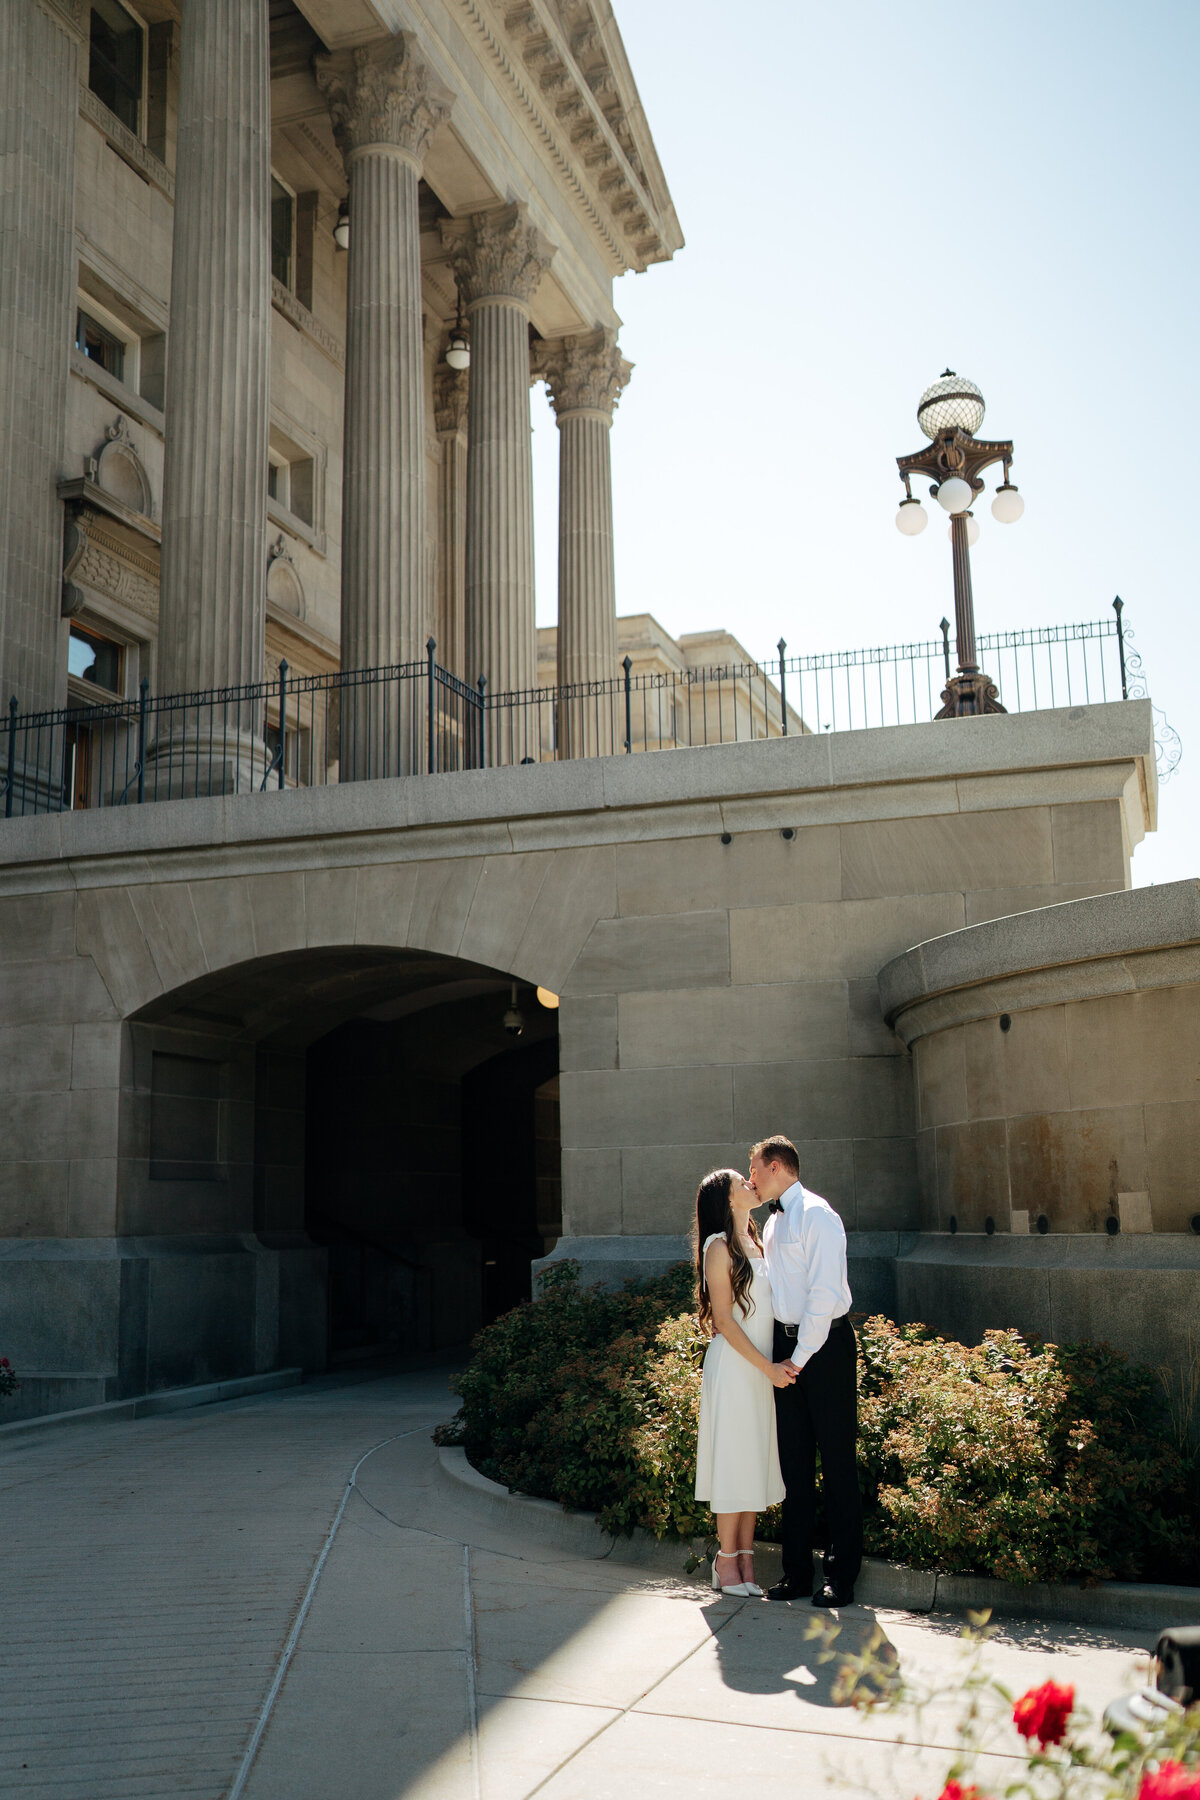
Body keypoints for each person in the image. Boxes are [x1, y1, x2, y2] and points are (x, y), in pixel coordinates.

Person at [748, 1134, 863, 1607]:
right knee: (793, 1463)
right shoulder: (772, 1225)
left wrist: (801, 1356)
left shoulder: (818, 1215)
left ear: (776, 1166)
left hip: (826, 1348)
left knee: (836, 1462)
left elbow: (823, 1294)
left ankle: (841, 1577)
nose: (750, 1178)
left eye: (753, 1168)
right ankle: (796, 1573)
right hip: (785, 1349)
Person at [693, 1167, 796, 1596]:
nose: (749, 1183)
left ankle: (748, 1560)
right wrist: (768, 1369)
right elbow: (723, 1322)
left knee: (754, 1462)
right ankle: (725, 1561)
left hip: (761, 1368)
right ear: (727, 1199)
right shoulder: (719, 1248)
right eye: (741, 1181)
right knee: (735, 1463)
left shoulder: (759, 1239)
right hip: (737, 1367)